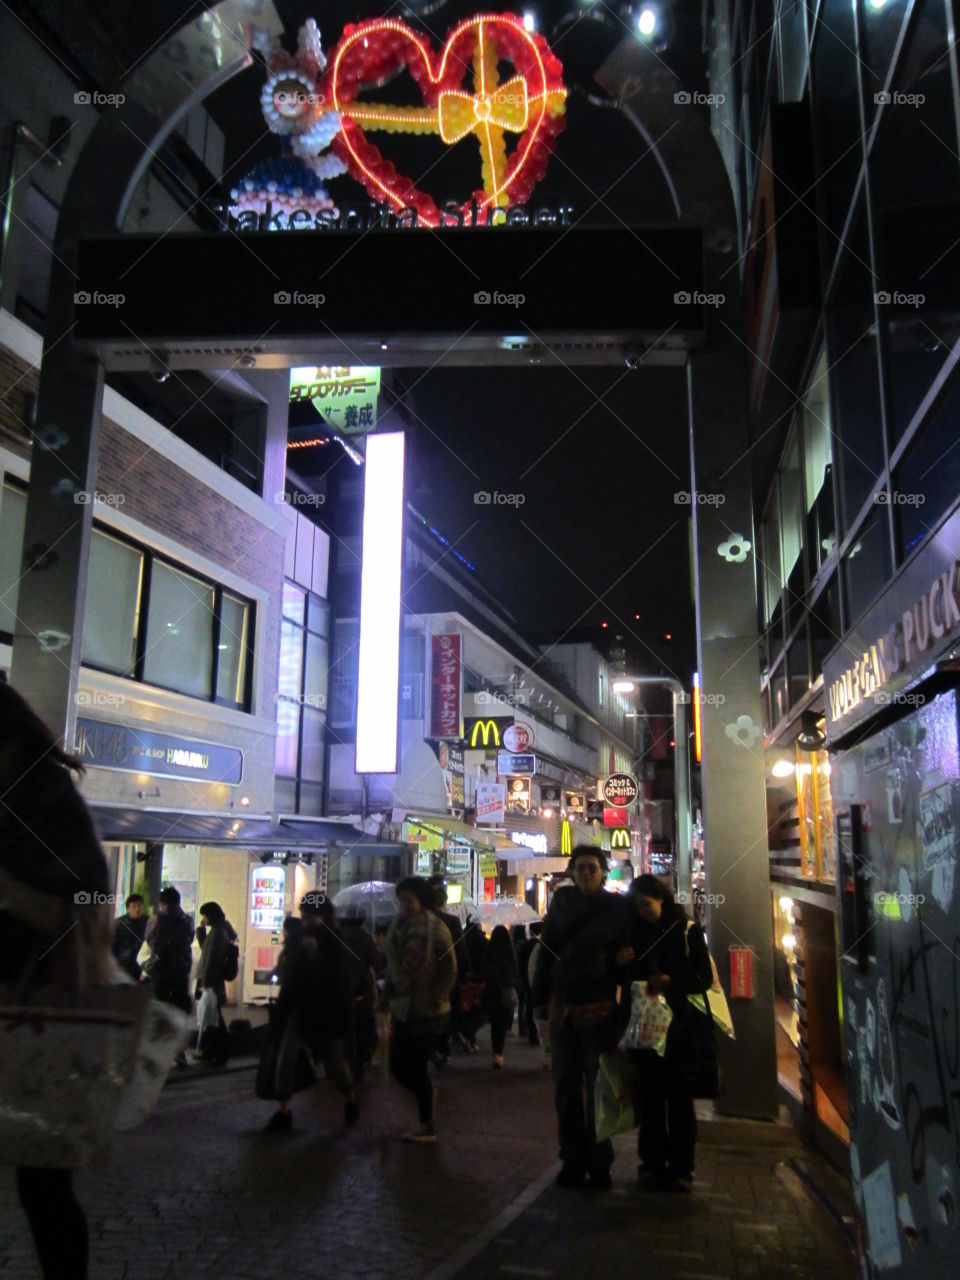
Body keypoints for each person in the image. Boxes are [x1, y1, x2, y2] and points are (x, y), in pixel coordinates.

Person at [0, 682, 115, 1280]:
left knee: (43, 1182)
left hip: (43, 1007)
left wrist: (15, 894)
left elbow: (96, 900)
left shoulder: (48, 800)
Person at [532, 846, 627, 1189]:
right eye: (581, 868)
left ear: (604, 872)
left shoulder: (617, 907)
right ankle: (571, 1159)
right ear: (571, 872)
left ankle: (600, 1164)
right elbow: (547, 950)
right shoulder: (561, 902)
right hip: (563, 1008)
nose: (586, 873)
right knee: (565, 1087)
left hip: (600, 1009)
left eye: (593, 868)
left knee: (598, 1089)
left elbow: (628, 951)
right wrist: (539, 998)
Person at [619, 874, 713, 1191]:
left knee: (680, 1102)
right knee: (651, 1101)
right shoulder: (632, 935)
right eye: (637, 906)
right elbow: (625, 984)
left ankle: (682, 1169)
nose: (643, 910)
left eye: (646, 903)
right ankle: (652, 1165)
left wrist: (671, 981)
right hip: (645, 1031)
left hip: (680, 1031)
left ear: (660, 898)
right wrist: (623, 964)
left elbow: (704, 979)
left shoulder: (687, 931)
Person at [263, 894, 359, 1133]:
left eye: (312, 916)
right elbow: (289, 967)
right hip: (298, 1006)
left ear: (325, 916)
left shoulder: (336, 939)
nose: (307, 921)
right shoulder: (296, 938)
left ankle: (350, 1097)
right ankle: (283, 1111)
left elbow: (337, 975)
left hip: (327, 1010)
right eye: (304, 915)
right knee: (287, 1054)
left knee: (334, 1062)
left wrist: (316, 954)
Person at [385, 876, 456, 1142]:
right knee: (397, 1067)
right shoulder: (397, 928)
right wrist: (387, 994)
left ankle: (426, 1124)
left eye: (410, 901)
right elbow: (393, 968)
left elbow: (450, 967)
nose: (404, 905)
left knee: (416, 1066)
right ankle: (425, 1097)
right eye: (401, 900)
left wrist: (438, 996)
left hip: (429, 1011)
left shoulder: (436, 929)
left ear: (421, 901)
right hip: (403, 1008)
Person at [142, 885, 194, 1065]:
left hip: (161, 972)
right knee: (179, 1011)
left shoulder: (156, 920)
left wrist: (146, 970)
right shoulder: (188, 920)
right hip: (181, 971)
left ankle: (157, 1054)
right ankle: (179, 1052)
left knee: (159, 1011)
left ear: (162, 902)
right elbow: (190, 939)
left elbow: (151, 942)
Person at [338, 911, 386, 1081]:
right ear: (362, 921)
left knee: (343, 1028)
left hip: (340, 991)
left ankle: (342, 1061)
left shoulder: (336, 937)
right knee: (363, 1027)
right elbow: (377, 964)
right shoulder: (366, 939)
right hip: (362, 992)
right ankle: (359, 1065)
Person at [429, 876, 469, 1065]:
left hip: (427, 974)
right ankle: (442, 1049)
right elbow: (460, 952)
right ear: (444, 902)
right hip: (448, 976)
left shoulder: (422, 921)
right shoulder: (452, 922)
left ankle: (430, 1047)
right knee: (445, 1012)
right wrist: (464, 974)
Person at [194, 900, 237, 1064]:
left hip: (210, 979)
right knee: (211, 1016)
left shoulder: (219, 932)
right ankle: (212, 1050)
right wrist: (201, 931)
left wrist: (206, 982)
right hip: (211, 978)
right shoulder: (220, 929)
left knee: (213, 1017)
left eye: (204, 915)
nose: (203, 918)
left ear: (210, 915)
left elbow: (211, 958)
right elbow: (207, 949)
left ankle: (221, 1052)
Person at [482, 924, 519, 1068]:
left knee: (494, 1024)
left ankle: (495, 1053)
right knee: (502, 1024)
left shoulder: (489, 952)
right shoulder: (510, 953)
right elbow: (514, 972)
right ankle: (499, 1053)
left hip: (491, 992)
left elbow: (484, 971)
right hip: (505, 991)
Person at [524, 921, 551, 1065]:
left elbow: (531, 971)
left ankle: (547, 1053)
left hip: (538, 991)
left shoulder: (537, 947)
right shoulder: (541, 947)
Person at [514, 923, 539, 1046]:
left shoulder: (525, 946)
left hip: (525, 979)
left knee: (527, 1005)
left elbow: (520, 964)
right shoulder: (540, 946)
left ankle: (529, 1031)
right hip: (536, 980)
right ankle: (535, 1032)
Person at [112, 893, 147, 980]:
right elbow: (113, 946)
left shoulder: (147, 922)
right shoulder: (119, 924)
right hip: (124, 965)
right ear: (128, 908)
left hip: (141, 966)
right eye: (134, 906)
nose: (138, 908)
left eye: (140, 905)